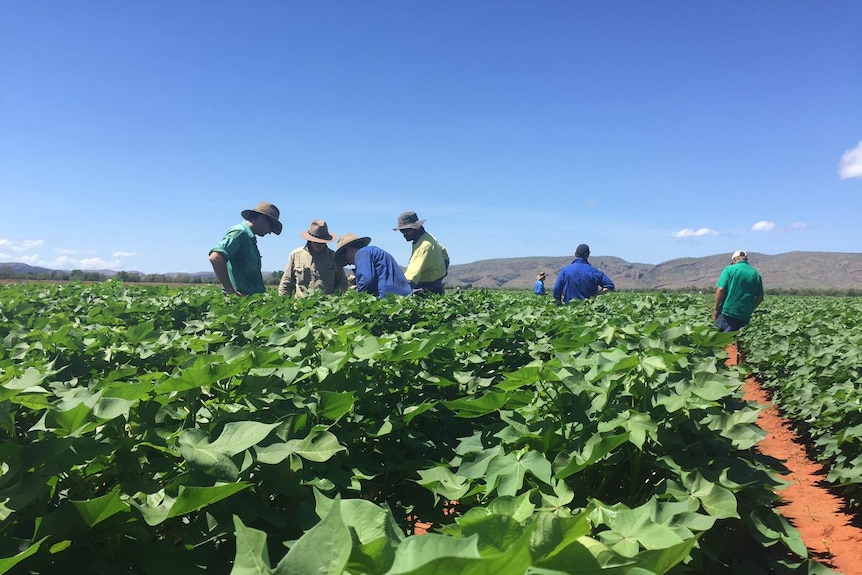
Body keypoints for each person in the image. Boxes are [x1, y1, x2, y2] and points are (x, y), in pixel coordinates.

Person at [209, 201, 282, 296]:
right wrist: (231, 292)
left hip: (249, 301)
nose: (270, 231)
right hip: (240, 303)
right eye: (271, 226)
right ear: (262, 218)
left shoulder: (249, 238)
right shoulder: (240, 233)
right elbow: (216, 257)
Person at [278, 220, 349, 298]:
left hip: (328, 307)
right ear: (310, 239)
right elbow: (286, 282)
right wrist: (283, 303)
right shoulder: (296, 255)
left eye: (322, 242)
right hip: (300, 306)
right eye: (316, 242)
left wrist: (333, 298)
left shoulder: (333, 257)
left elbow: (342, 283)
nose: (319, 244)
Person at [334, 233, 413, 298]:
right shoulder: (372, 251)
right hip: (402, 296)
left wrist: (357, 296)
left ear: (349, 250)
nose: (349, 263)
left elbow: (367, 281)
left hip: (389, 299)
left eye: (346, 258)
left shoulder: (361, 253)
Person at [393, 211, 449, 294]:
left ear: (416, 227)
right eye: (402, 231)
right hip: (436, 284)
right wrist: (440, 275)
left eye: (407, 230)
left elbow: (412, 276)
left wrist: (402, 289)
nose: (404, 234)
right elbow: (445, 255)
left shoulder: (423, 246)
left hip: (427, 287)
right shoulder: (428, 237)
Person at [713, 250, 764, 332]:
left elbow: (720, 289)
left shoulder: (729, 269)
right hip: (745, 315)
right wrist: (750, 309)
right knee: (739, 340)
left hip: (728, 312)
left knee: (722, 340)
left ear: (734, 260)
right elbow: (760, 297)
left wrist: (715, 310)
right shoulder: (756, 274)